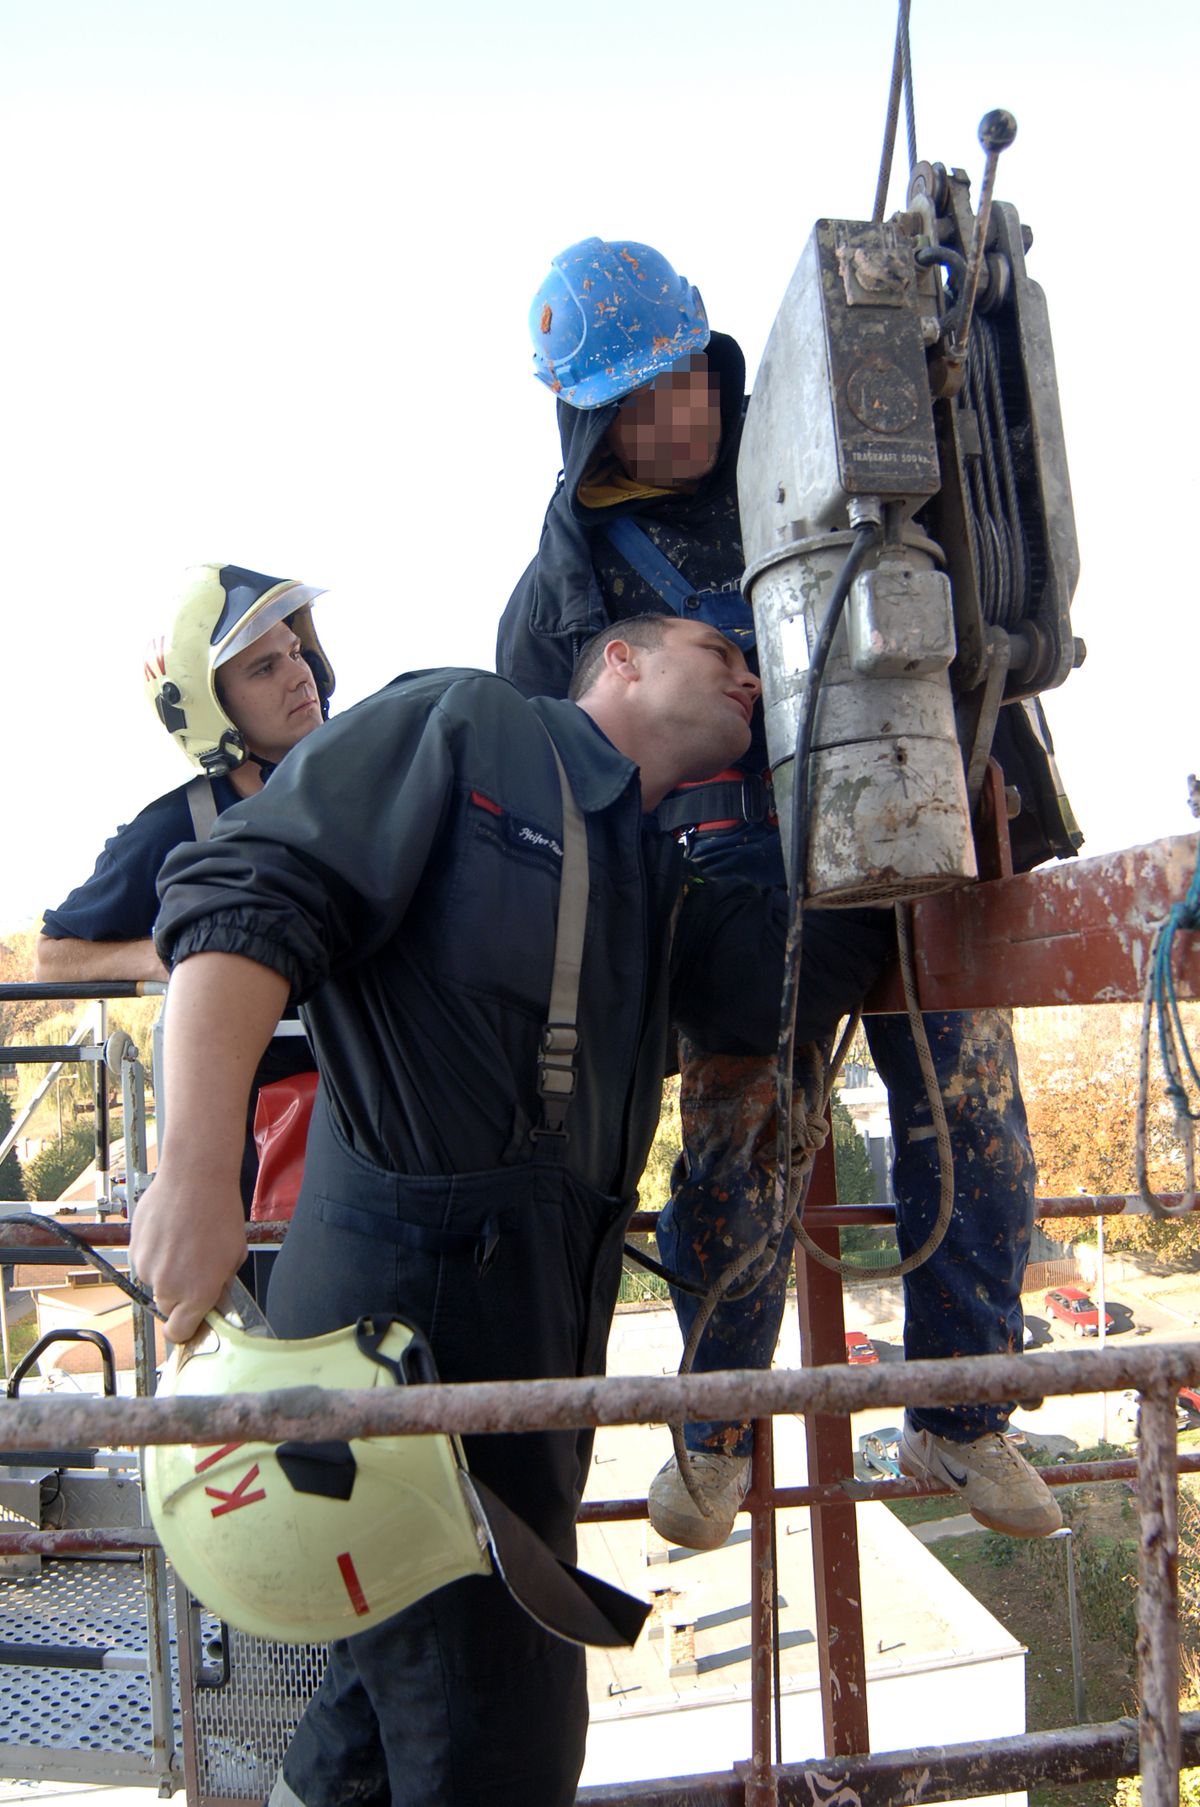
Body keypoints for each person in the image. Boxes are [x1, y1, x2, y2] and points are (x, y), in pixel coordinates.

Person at [130, 615, 893, 1807]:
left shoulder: (657, 868)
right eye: (715, 645)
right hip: (399, 1350)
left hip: (527, 1351)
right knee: (501, 1746)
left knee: (379, 1717)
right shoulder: (467, 725)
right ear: (621, 662)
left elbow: (777, 988)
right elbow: (246, 888)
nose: (748, 669)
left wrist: (889, 795)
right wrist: (191, 1170)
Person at [498, 235, 1083, 1549]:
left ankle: (964, 1408)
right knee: (741, 1133)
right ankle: (714, 1438)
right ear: (588, 421)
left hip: (908, 822)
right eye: (638, 406)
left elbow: (971, 586)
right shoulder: (561, 590)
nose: (678, 417)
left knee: (969, 1103)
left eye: (689, 383)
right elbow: (559, 777)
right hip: (732, 880)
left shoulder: (828, 458)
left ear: (716, 357)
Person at [36, 562, 333, 1215]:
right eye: (264, 668)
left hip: (385, 1114)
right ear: (209, 705)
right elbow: (53, 954)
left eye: (294, 650)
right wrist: (170, 953)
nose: (299, 672)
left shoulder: (364, 789)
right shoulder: (176, 826)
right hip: (268, 1148)